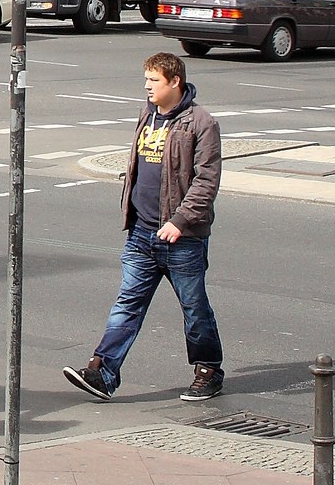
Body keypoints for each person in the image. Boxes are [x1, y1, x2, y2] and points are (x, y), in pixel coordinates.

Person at [63, 53, 226, 403]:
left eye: (154, 81)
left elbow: (206, 181)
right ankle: (102, 372)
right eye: (146, 80)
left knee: (194, 307)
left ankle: (209, 370)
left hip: (183, 238)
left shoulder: (200, 123)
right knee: (127, 304)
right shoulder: (147, 114)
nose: (147, 87)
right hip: (141, 232)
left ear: (174, 82)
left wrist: (179, 221)